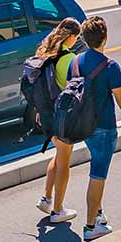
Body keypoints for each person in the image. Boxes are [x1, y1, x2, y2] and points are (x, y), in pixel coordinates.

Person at [69, 15, 121, 241]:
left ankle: (98, 215)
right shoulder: (110, 67)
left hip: (83, 126)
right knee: (98, 174)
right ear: (104, 38)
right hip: (105, 127)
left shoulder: (75, 62)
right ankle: (90, 227)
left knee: (96, 168)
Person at [33, 17, 83, 225]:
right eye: (77, 37)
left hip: (45, 114)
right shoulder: (69, 59)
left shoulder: (43, 51)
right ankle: (58, 210)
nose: (77, 41)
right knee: (64, 162)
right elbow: (75, 88)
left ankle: (46, 199)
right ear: (71, 36)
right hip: (62, 116)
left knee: (58, 154)